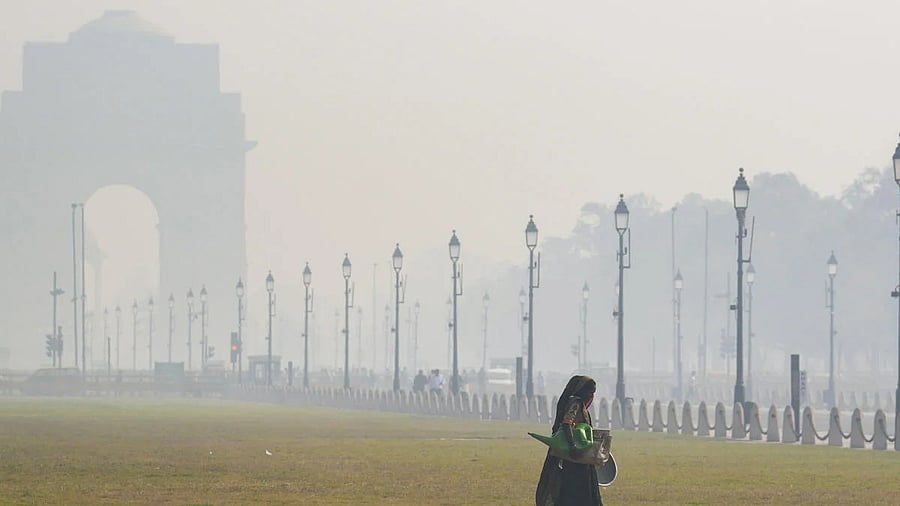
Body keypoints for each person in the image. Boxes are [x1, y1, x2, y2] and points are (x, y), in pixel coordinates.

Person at [535, 375, 602, 506]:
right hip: (575, 457)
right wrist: (573, 446)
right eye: (589, 392)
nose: (591, 396)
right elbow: (567, 424)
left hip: (575, 457)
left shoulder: (574, 403)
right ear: (581, 391)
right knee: (577, 492)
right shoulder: (576, 403)